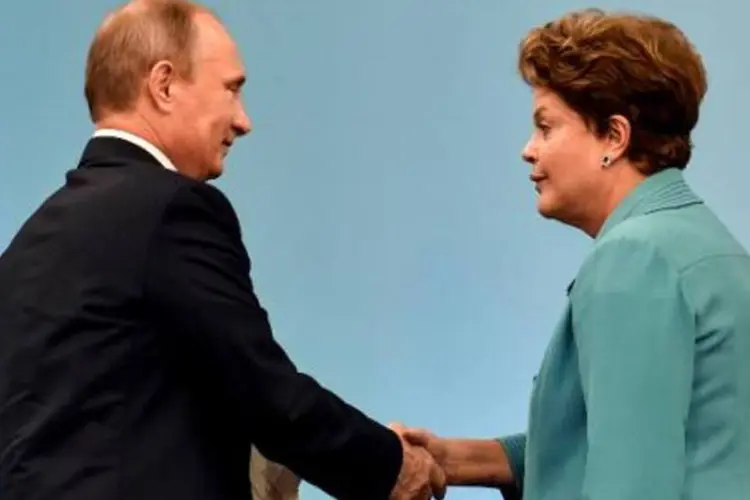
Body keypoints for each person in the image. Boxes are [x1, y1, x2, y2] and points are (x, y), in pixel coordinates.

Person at [0, 1, 446, 499]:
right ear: (164, 85)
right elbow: (264, 392)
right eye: (232, 89)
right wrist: (389, 464)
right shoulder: (172, 209)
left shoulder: (31, 242)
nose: (243, 120)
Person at [393, 8, 750, 500]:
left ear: (613, 137)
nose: (528, 150)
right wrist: (458, 460)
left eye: (546, 127)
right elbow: (652, 436)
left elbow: (630, 482)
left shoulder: (635, 259)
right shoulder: (704, 245)